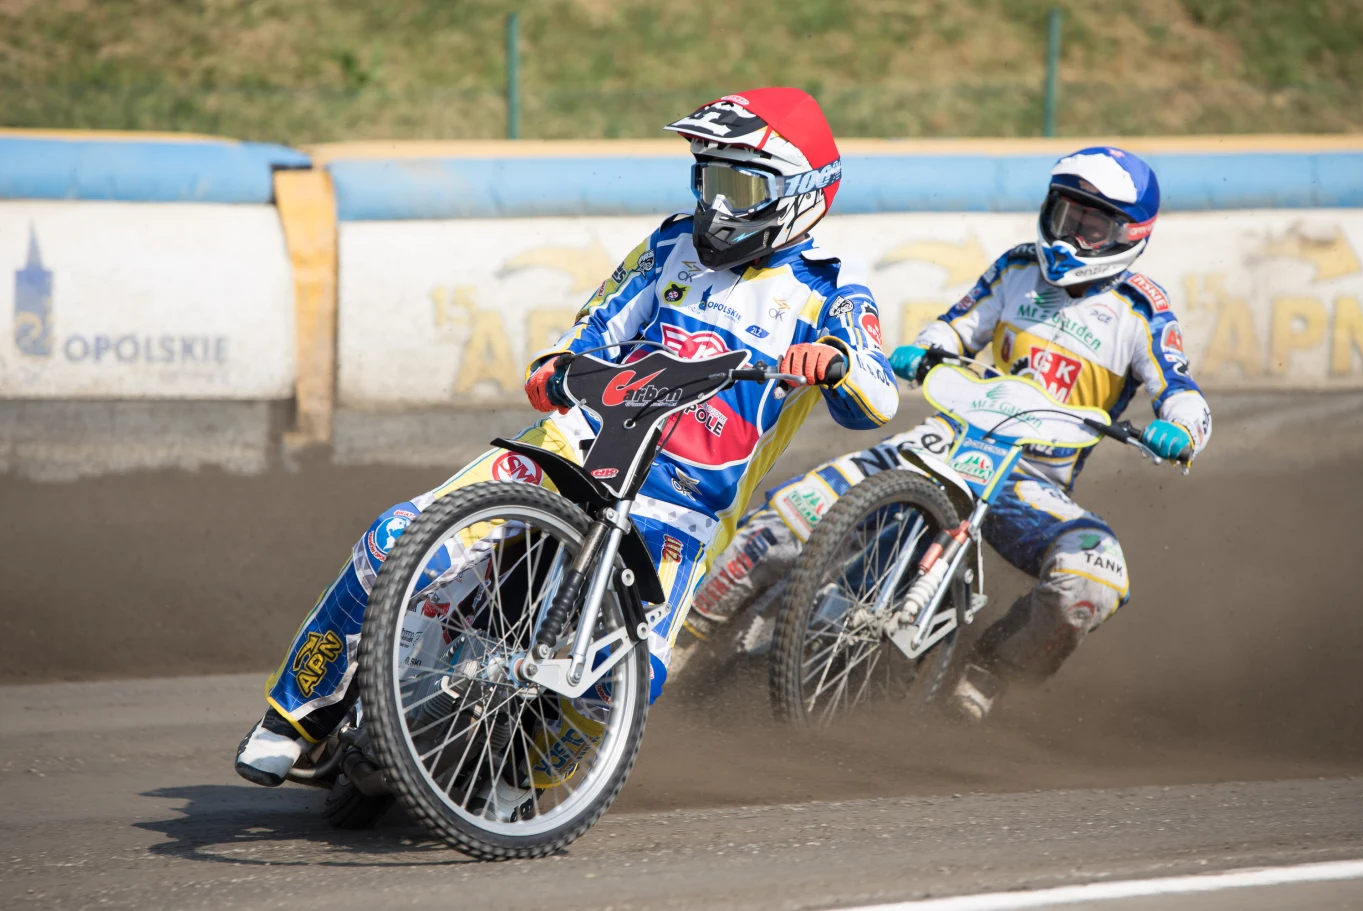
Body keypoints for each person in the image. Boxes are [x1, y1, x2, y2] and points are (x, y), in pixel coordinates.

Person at [235, 88, 898, 786]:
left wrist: (837, 361)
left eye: (740, 187)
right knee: (395, 539)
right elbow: (597, 324)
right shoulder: (672, 243)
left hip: (681, 510)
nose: (718, 205)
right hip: (575, 444)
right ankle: (294, 721)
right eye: (709, 180)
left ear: (800, 193)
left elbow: (877, 398)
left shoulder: (832, 290)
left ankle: (522, 793)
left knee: (626, 681)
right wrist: (558, 365)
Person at [687, 146, 1212, 722]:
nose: (1071, 235)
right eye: (1067, 215)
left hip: (1032, 478)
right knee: (788, 514)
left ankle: (988, 674)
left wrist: (1180, 428)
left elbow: (1178, 386)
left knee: (1093, 578)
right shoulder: (1017, 268)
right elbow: (956, 328)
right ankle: (680, 639)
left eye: (1091, 226)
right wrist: (927, 349)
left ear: (1128, 235)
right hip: (947, 440)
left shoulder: (1141, 308)